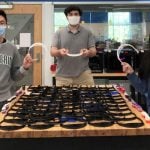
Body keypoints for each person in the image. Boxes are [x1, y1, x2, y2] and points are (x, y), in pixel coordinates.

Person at [50, 5, 96, 86]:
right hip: (63, 77)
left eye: (76, 14)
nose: (73, 16)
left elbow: (93, 51)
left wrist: (88, 52)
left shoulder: (88, 32)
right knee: (62, 99)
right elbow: (52, 52)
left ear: (79, 16)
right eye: (70, 14)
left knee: (89, 98)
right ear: (67, 17)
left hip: (84, 75)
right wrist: (59, 52)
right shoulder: (59, 32)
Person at [0, 9, 33, 109]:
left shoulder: (12, 48)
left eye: (1, 23)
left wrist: (24, 67)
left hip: (5, 99)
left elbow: (15, 76)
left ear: (6, 25)